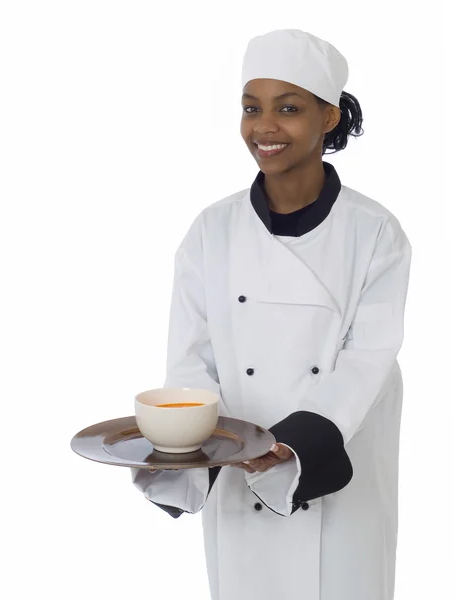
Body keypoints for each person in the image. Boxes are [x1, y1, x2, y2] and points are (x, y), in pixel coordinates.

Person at [130, 28, 412, 600]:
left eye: (289, 108)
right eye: (251, 108)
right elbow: (191, 360)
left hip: (335, 465)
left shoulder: (375, 231)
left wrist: (295, 445)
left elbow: (369, 358)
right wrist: (183, 440)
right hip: (238, 470)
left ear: (329, 118)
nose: (265, 127)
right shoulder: (212, 231)